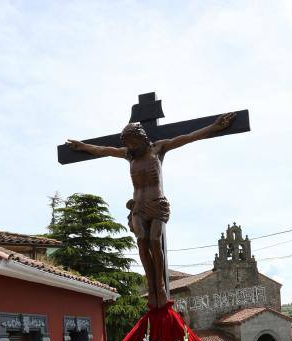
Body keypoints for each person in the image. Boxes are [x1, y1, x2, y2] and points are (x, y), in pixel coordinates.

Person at [67, 112, 237, 308]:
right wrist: (82, 146)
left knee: (155, 240)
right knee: (141, 241)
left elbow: (189, 137)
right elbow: (104, 150)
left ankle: (160, 286)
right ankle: (151, 284)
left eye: (133, 143)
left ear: (141, 138)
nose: (130, 147)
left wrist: (214, 127)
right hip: (138, 207)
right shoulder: (129, 156)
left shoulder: (158, 148)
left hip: (157, 204)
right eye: (128, 144)